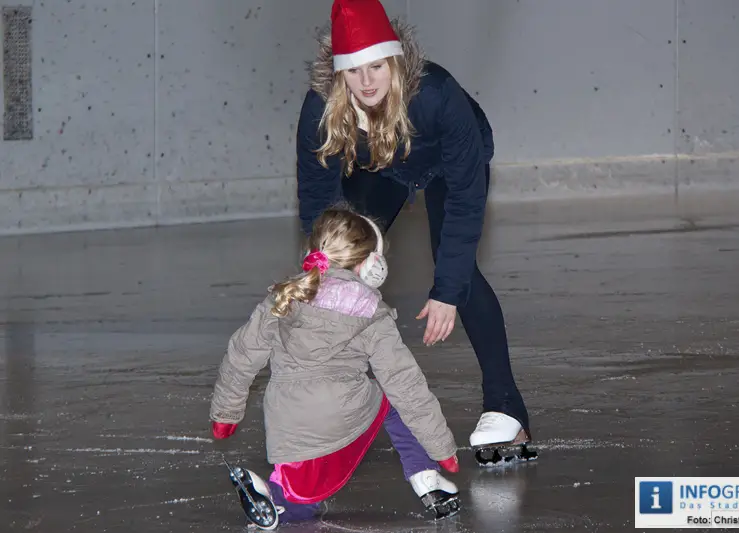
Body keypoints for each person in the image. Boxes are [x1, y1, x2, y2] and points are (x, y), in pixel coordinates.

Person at [295, 0, 537, 465]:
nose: (367, 82)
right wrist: (323, 267)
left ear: (396, 60)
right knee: (339, 271)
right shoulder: (321, 107)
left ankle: (507, 407)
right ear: (337, 73)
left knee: (458, 272)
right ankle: (325, 407)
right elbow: (317, 198)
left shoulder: (438, 94)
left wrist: (446, 290)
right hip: (380, 165)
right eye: (354, 71)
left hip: (447, 165)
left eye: (377, 67)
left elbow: (467, 202)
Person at [209, 207, 461, 529]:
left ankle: (273, 497)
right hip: (345, 416)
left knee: (300, 496)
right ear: (372, 265)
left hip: (288, 426)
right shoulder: (371, 310)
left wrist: (225, 415)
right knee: (393, 401)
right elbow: (405, 384)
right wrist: (441, 447)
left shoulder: (284, 297)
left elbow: (241, 355)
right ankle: (425, 475)